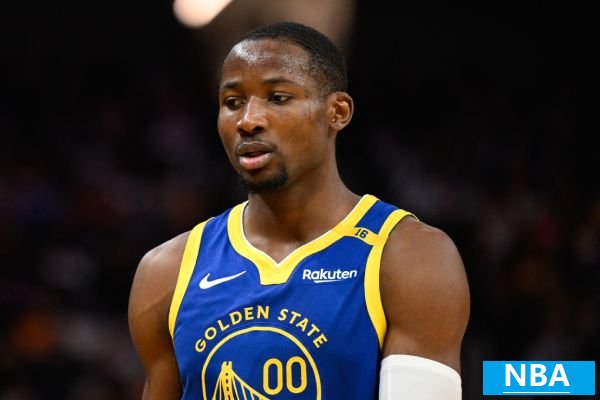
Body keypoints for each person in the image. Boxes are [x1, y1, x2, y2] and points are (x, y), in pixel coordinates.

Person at [128, 21, 470, 400]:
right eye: (233, 103)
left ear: (337, 111)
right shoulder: (167, 271)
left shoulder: (410, 257)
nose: (248, 121)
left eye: (278, 98)